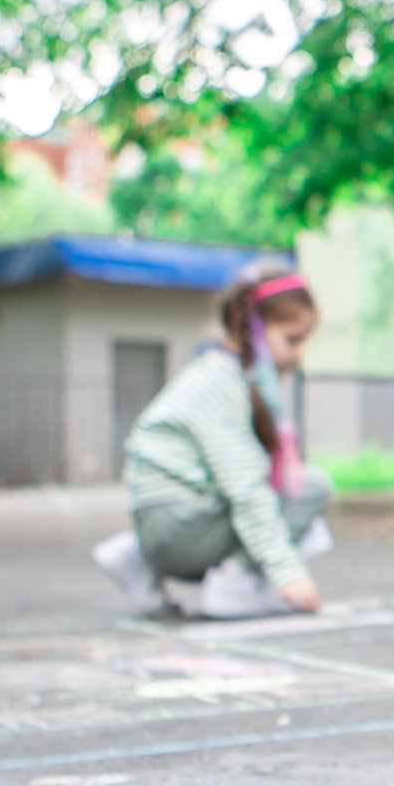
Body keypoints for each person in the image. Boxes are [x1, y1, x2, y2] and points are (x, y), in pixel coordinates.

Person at [93, 264, 335, 620]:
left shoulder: (215, 374)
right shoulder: (221, 382)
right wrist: (289, 575)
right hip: (180, 532)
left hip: (161, 527)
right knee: (310, 487)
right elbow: (246, 489)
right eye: (291, 339)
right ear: (252, 329)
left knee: (291, 498)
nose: (298, 354)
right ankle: (236, 583)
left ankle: (137, 558)